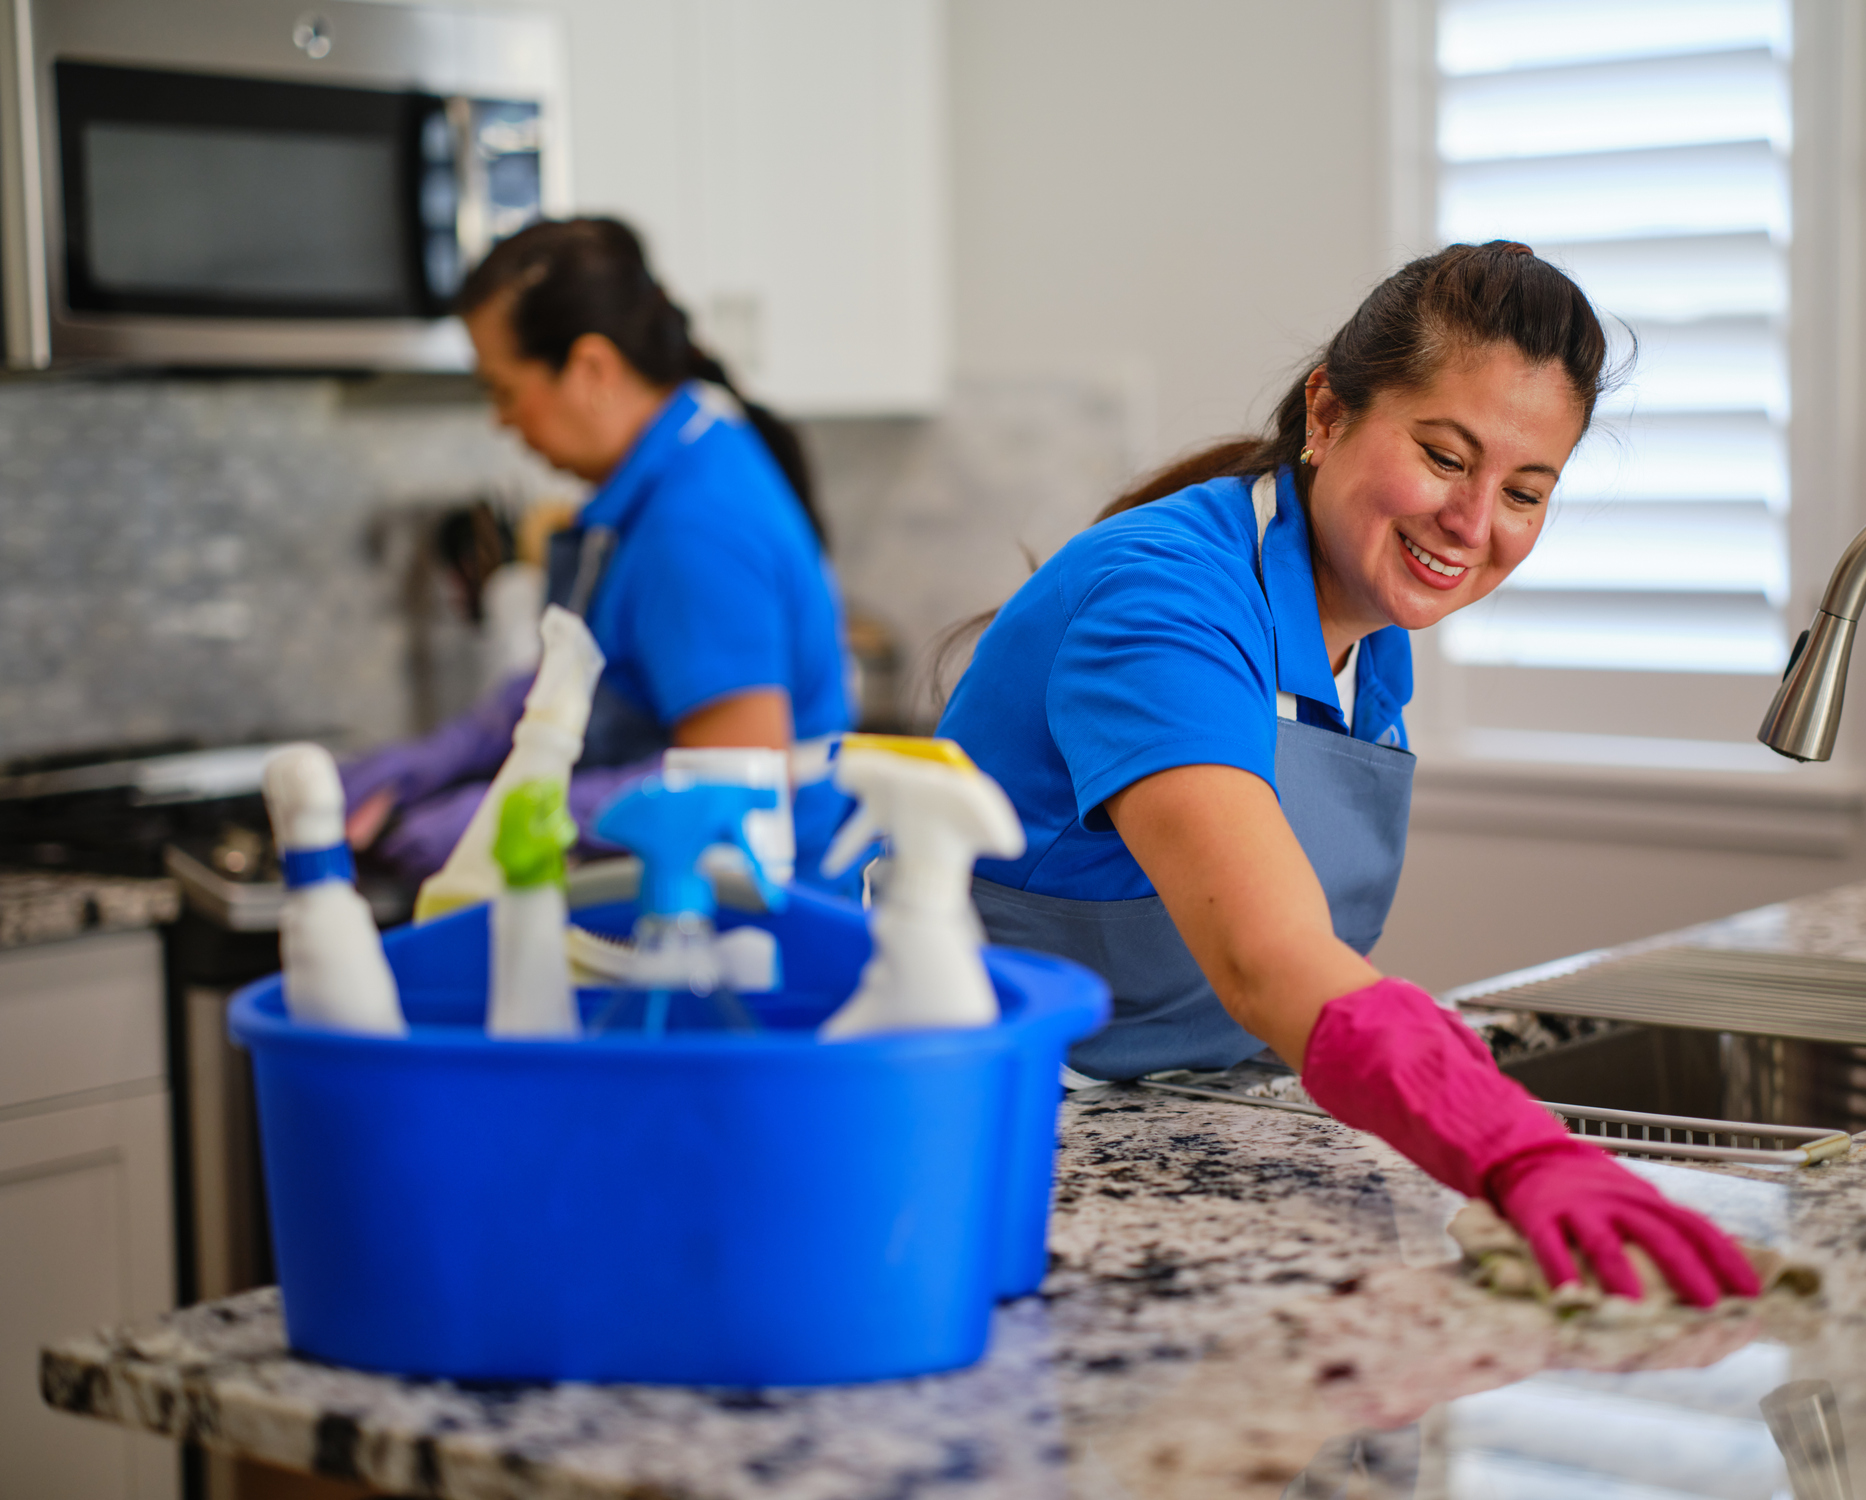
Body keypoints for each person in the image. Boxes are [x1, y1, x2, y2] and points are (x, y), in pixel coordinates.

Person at [936, 242, 1761, 1307]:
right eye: (1445, 456)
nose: (1473, 525)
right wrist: (1515, 1149)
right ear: (1326, 414)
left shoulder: (1365, 632)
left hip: (1186, 1119)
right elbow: (1266, 956)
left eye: (1524, 491)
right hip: (999, 1136)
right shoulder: (1163, 602)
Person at [341, 219, 852, 888]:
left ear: (591, 369)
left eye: (504, 391)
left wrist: (505, 815)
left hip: (751, 915)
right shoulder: (663, 478)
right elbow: (593, 679)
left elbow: (731, 778)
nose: (501, 420)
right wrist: (444, 757)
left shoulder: (695, 526)